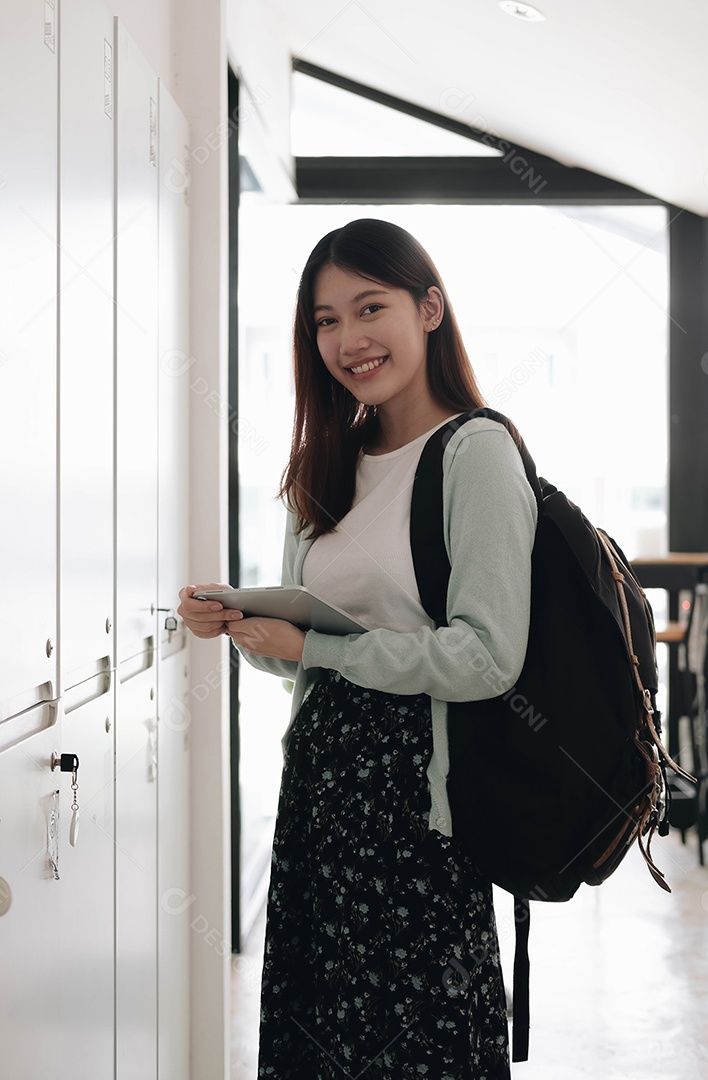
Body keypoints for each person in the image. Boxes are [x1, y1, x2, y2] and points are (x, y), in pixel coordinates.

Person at [178, 218, 537, 1079]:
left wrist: (319, 650)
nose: (348, 339)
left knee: (415, 1048)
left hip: (417, 817)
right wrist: (240, 625)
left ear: (430, 309)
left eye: (368, 308)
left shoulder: (476, 451)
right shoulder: (328, 455)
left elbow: (489, 659)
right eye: (325, 320)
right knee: (316, 1043)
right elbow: (296, 653)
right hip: (318, 805)